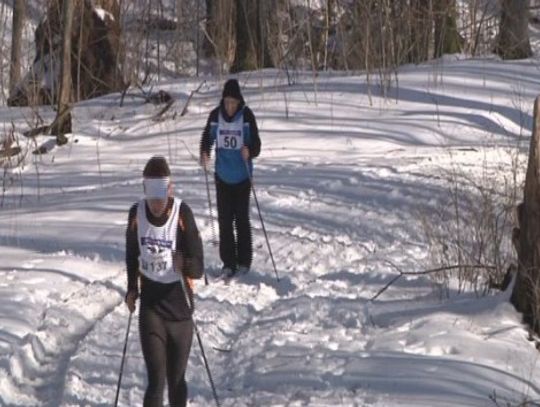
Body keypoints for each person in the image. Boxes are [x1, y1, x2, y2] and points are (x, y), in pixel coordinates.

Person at [125, 155, 203, 407]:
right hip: (152, 308)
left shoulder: (183, 214)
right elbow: (131, 254)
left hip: (180, 311)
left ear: (171, 188)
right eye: (151, 191)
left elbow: (199, 267)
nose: (157, 202)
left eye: (162, 191)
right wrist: (131, 289)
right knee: (156, 381)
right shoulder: (136, 214)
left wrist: (186, 265)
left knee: (176, 381)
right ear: (144, 189)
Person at [199, 78, 261, 278]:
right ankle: (228, 263)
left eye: (233, 102)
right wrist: (205, 152)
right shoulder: (216, 116)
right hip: (222, 176)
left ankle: (244, 261)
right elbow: (207, 138)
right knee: (225, 221)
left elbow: (257, 144)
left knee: (241, 219)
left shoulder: (246, 116)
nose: (229, 106)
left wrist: (249, 150)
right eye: (226, 102)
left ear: (239, 101)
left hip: (242, 176)